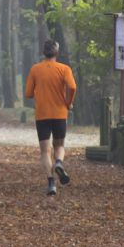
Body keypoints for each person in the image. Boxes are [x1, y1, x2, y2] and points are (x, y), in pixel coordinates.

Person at [24, 39, 77, 195]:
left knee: (45, 151)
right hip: (60, 113)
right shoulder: (64, 69)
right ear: (57, 53)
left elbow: (28, 93)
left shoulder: (35, 69)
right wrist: (68, 102)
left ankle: (51, 182)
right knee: (59, 146)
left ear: (43, 52)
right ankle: (59, 162)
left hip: (42, 114)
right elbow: (72, 87)